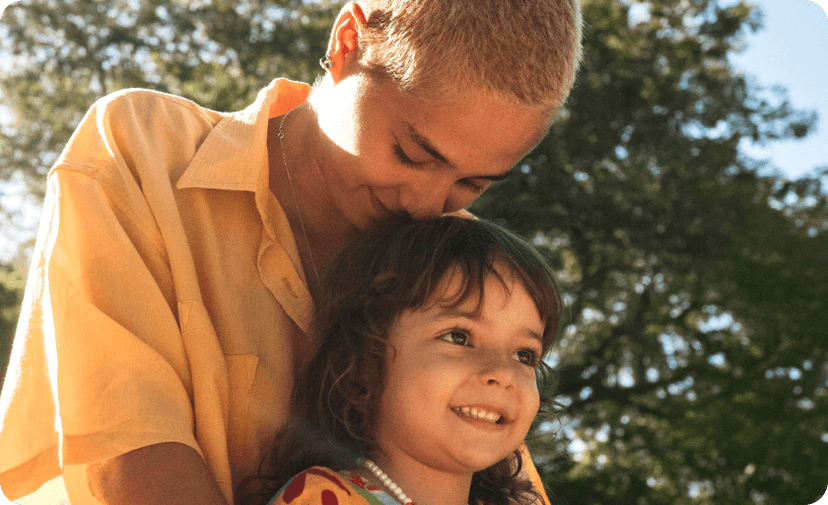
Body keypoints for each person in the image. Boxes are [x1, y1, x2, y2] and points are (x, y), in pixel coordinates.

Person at [0, 1, 582, 504]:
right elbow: (130, 450)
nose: (428, 204)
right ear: (348, 42)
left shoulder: (454, 261)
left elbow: (489, 473)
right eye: (411, 153)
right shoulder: (144, 150)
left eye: (473, 184)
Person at [239, 215, 562, 505]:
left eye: (524, 355)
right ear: (364, 365)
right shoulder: (323, 500)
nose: (503, 372)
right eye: (458, 337)